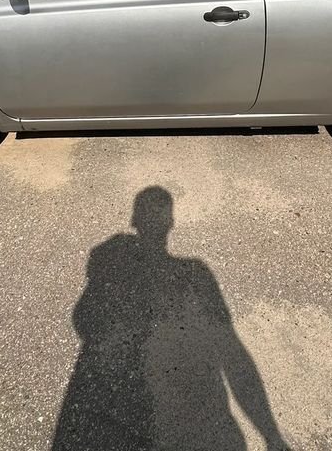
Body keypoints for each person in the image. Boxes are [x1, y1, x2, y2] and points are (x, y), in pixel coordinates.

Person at [53, 187, 290, 451]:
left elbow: (83, 323)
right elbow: (232, 353)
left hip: (146, 428)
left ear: (134, 221)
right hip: (198, 432)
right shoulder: (195, 276)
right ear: (171, 223)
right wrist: (271, 434)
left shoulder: (126, 281)